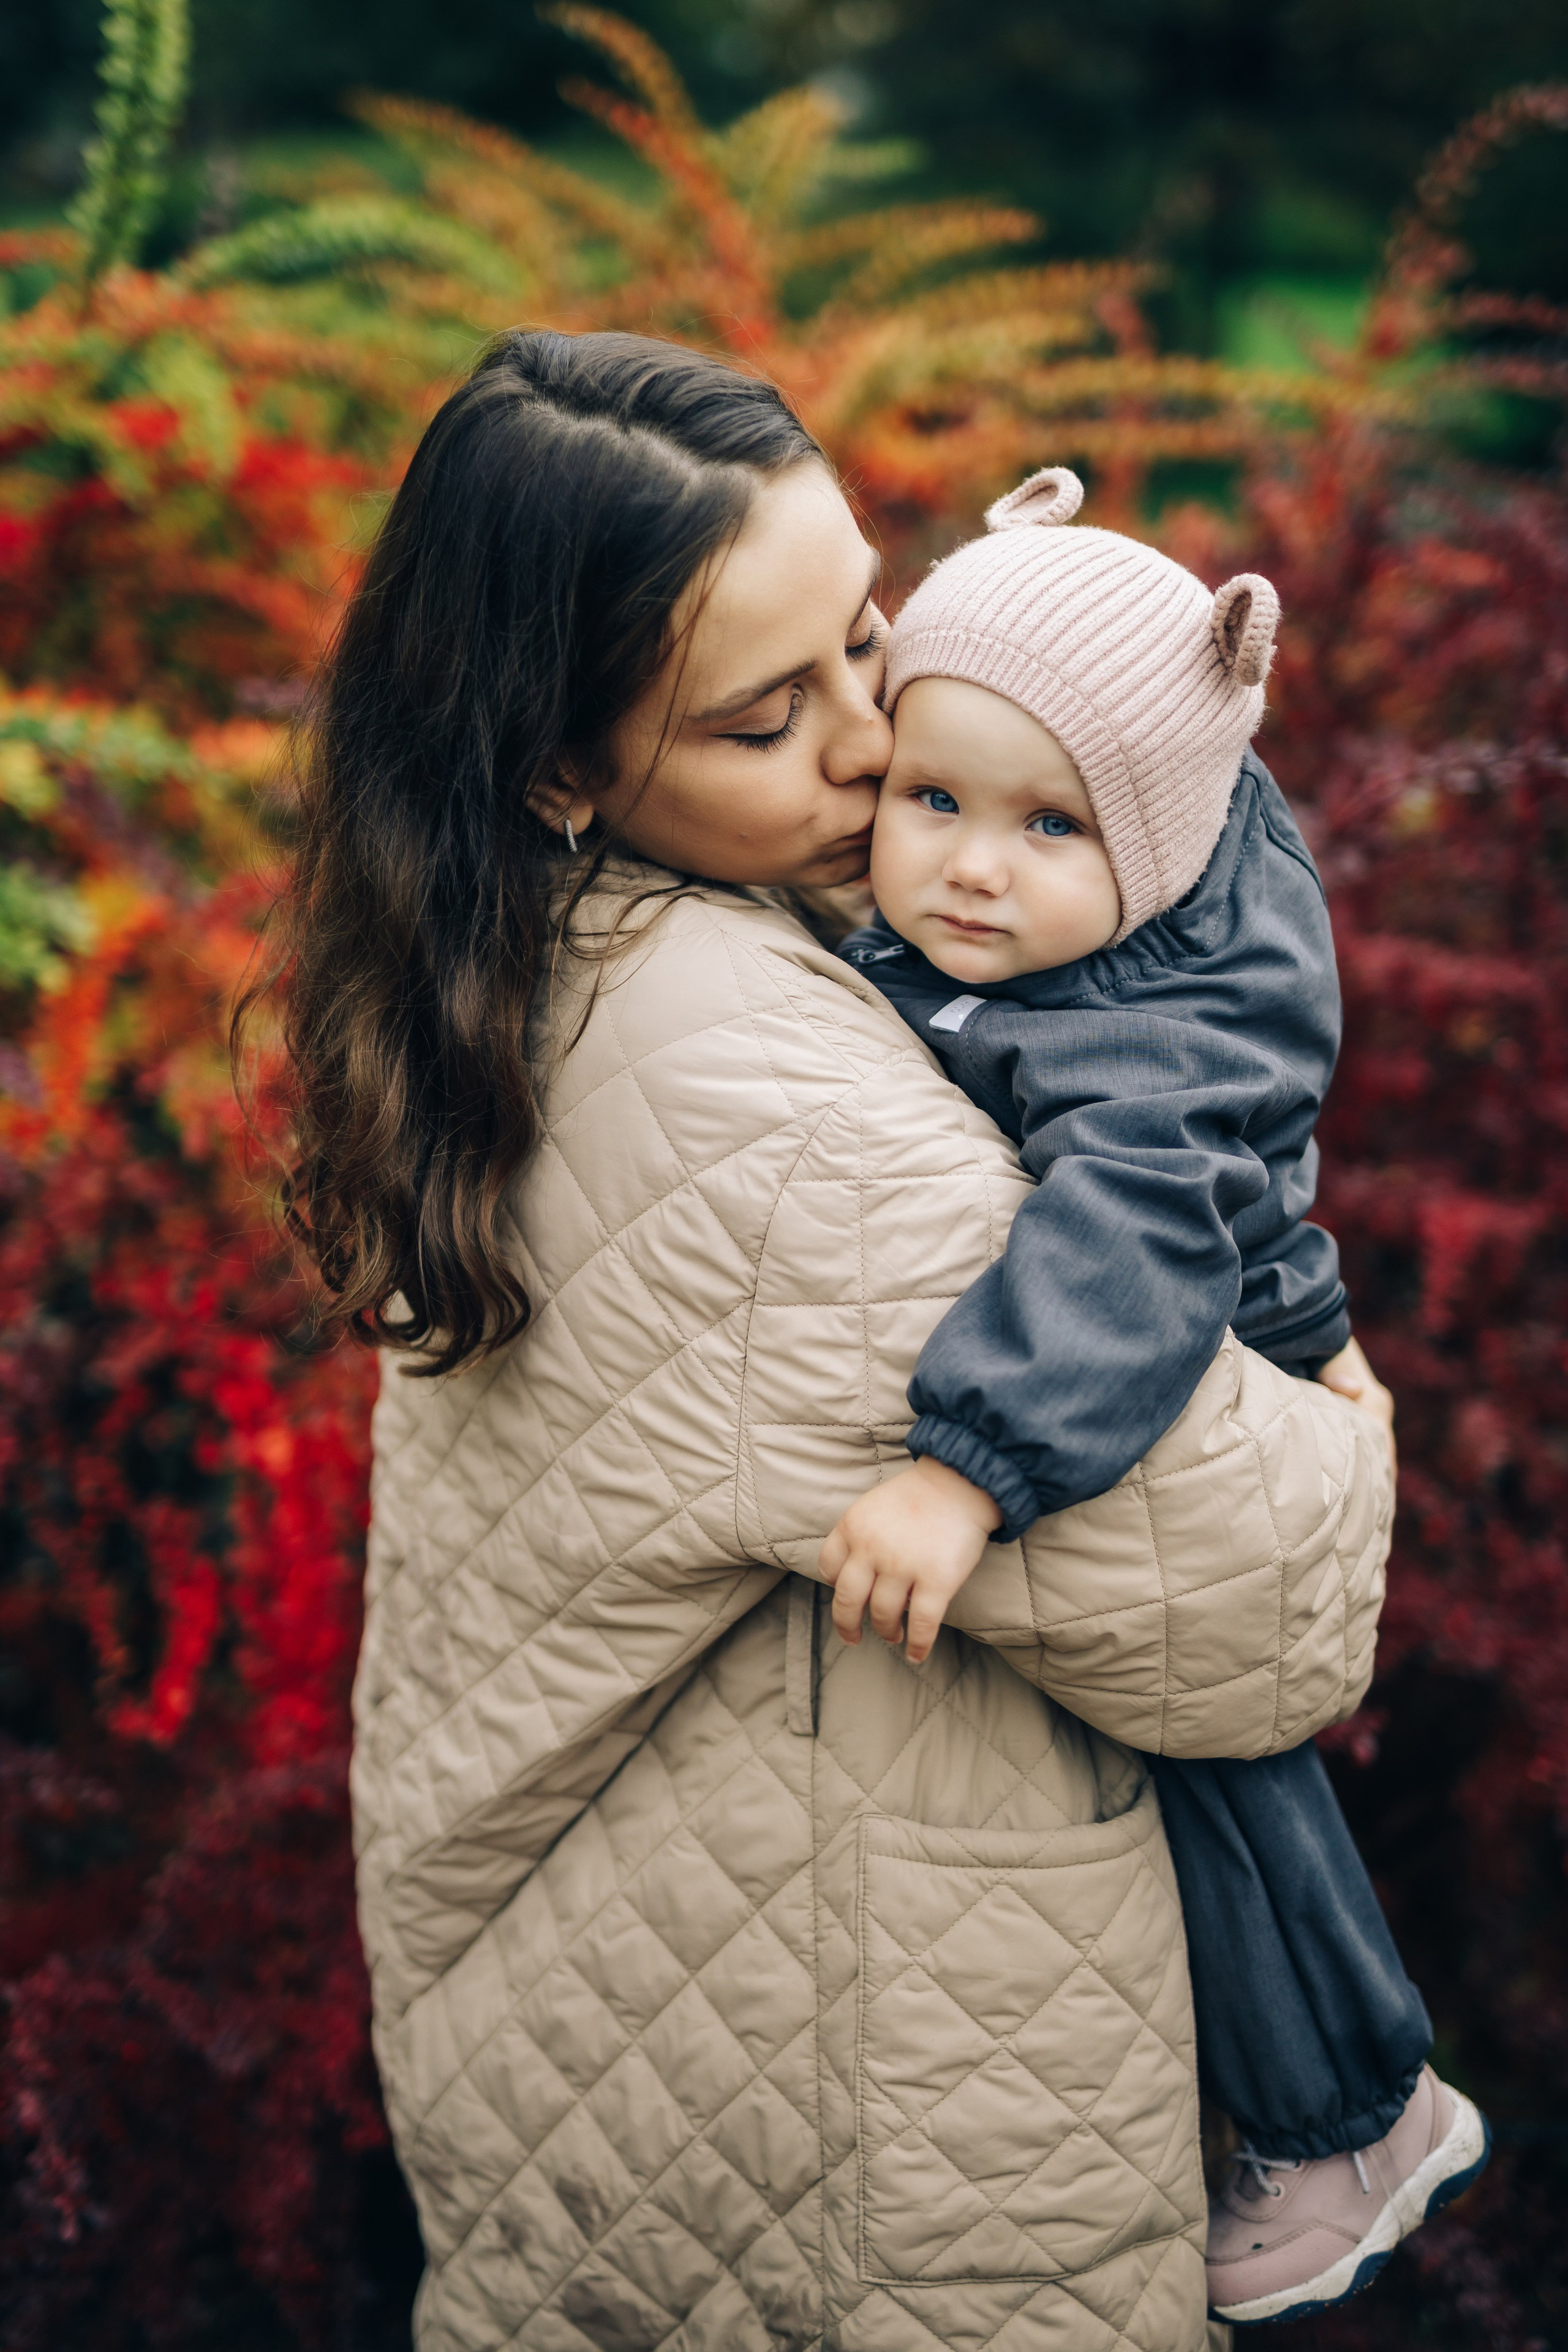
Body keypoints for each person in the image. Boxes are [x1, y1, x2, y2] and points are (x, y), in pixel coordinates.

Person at [257, 328, 1395, 2350]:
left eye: (871, 640)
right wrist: (1333, 1383)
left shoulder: (547, 949)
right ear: (560, 766)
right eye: (771, 716)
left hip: (681, 2033)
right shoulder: (756, 1101)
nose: (880, 743)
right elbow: (1276, 1608)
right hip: (846, 2160)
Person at [823, 465, 1490, 2324]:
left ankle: (1355, 2111)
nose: (970, 863)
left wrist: (965, 1468)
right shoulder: (1046, 933)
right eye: (931, 799)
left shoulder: (1158, 1050)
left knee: (1217, 1765)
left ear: (1166, 846)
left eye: (1049, 829)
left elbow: (1121, 1248)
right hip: (1132, 1345)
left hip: (1185, 1358)